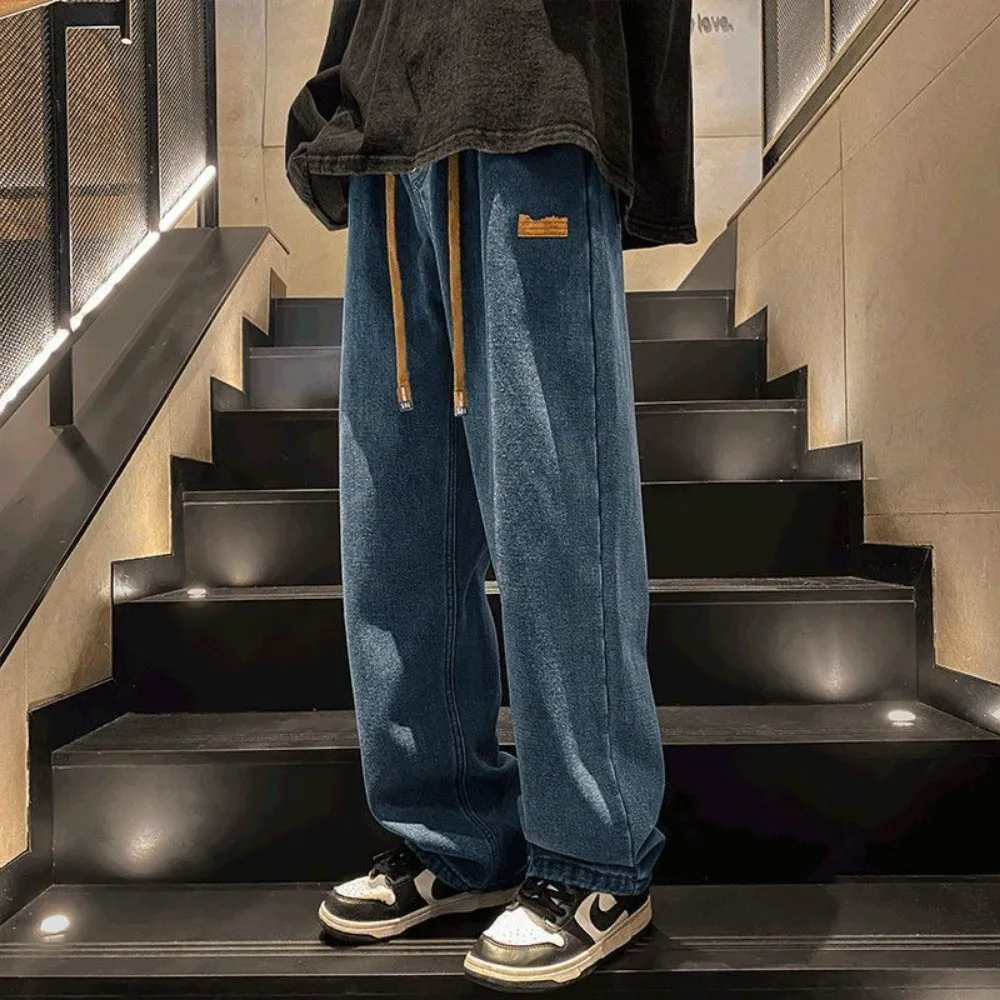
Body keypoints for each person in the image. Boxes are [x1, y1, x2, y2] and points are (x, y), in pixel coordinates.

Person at [286, 1, 695, 990]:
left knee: (555, 509)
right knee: (394, 527)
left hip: (532, 102)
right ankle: (453, 833)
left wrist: (643, 149)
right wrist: (336, 103)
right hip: (389, 136)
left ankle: (593, 855)